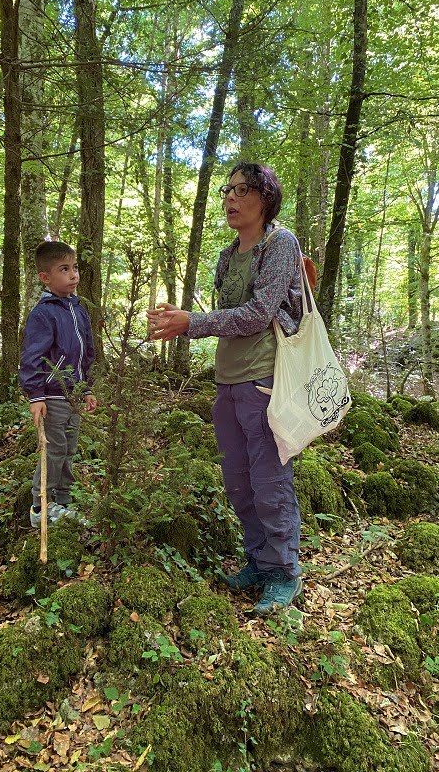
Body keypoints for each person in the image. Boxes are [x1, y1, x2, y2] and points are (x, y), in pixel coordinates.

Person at [148, 162, 303, 615]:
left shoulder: (282, 244)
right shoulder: (227, 254)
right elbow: (228, 315)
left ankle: (283, 572)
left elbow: (257, 314)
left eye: (242, 189)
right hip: (227, 380)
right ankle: (258, 562)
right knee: (237, 481)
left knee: (270, 481)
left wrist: (190, 323)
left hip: (266, 379)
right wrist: (184, 320)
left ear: (265, 197)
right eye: (227, 190)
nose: (231, 198)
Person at [20, 240, 97, 527]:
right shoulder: (44, 313)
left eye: (75, 268)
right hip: (52, 396)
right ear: (45, 277)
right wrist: (36, 395)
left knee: (68, 448)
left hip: (73, 395)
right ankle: (41, 506)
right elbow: (32, 356)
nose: (73, 275)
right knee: (52, 449)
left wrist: (86, 388)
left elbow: (87, 352)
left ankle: (63, 500)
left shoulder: (78, 309)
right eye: (64, 269)